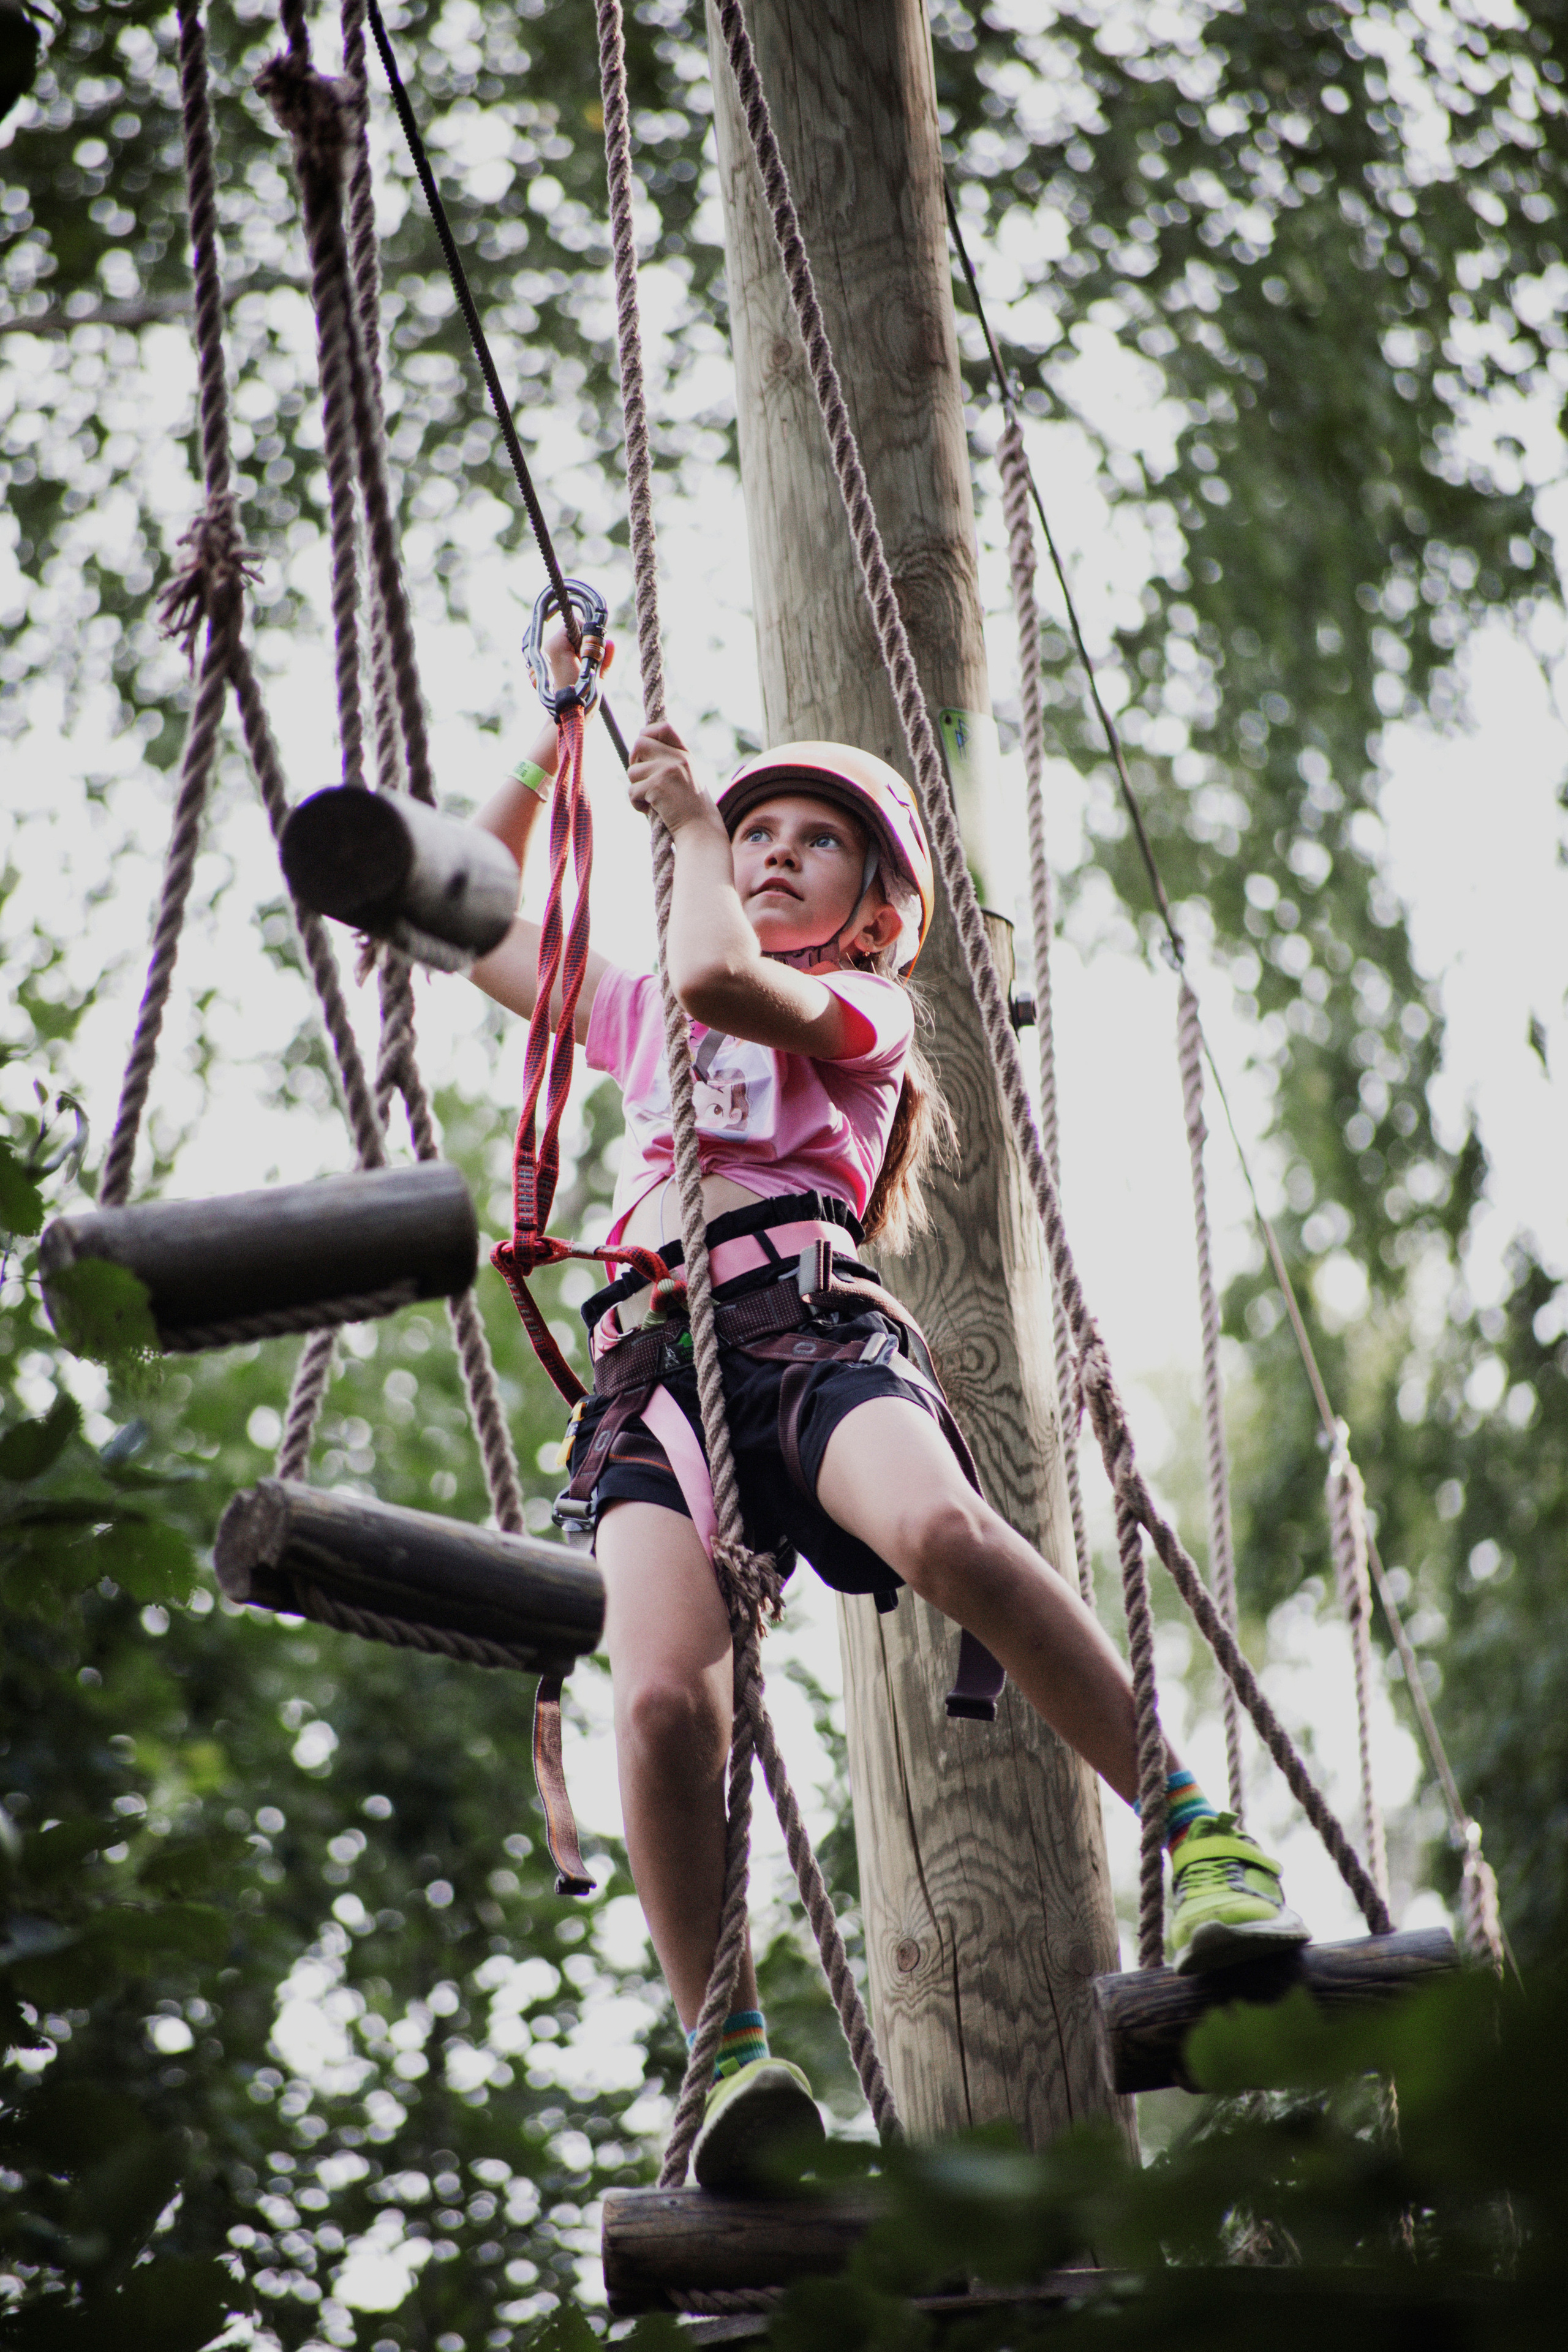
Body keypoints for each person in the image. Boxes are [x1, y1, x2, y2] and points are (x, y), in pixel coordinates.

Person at [470, 630, 1308, 2190]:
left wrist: (696, 830)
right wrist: (555, 736)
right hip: (655, 1368)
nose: (773, 856)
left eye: (813, 845)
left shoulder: (865, 1020)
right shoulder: (645, 1017)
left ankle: (1195, 1832)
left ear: (875, 915)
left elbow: (729, 970)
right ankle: (723, 2046)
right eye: (759, 835)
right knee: (656, 1709)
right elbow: (455, 918)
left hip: (804, 1328)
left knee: (937, 1528)